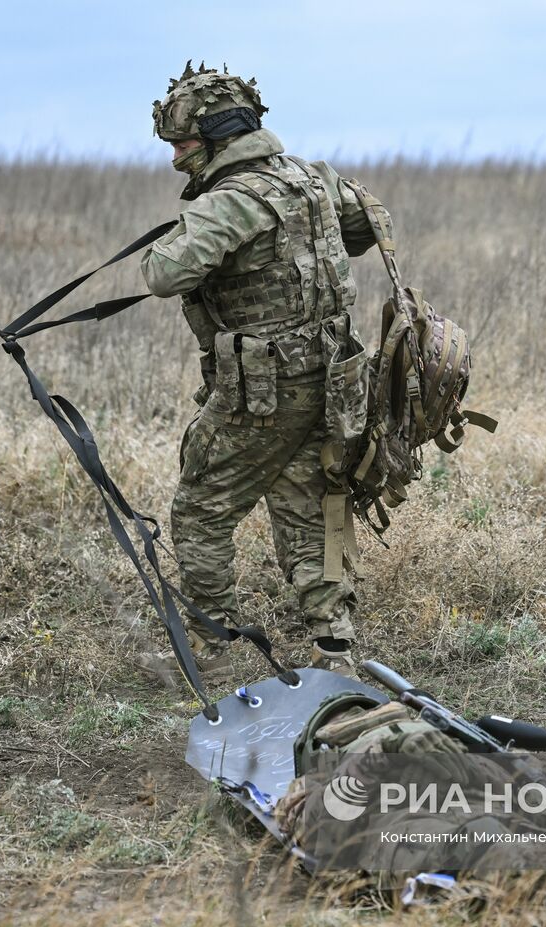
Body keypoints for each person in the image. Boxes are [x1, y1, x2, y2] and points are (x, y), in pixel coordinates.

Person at [139, 64, 391, 680]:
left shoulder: (230, 201)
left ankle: (210, 649)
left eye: (182, 144)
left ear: (217, 134)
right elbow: (369, 223)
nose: (176, 159)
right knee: (314, 505)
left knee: (201, 507)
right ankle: (335, 649)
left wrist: (197, 232)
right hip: (334, 380)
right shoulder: (312, 179)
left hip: (264, 389)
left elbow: (163, 274)